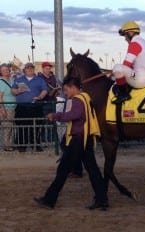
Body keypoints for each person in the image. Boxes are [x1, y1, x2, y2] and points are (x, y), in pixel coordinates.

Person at [34, 77, 108, 210]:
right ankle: (102, 199)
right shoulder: (86, 97)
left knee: (63, 169)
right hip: (85, 137)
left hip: (78, 139)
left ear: (73, 87)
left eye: (66, 90)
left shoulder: (78, 100)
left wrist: (55, 115)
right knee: (92, 169)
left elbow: (73, 115)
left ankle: (49, 200)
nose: (65, 93)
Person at [112, 21, 145, 104]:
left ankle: (123, 94)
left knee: (117, 68)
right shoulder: (144, 42)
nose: (125, 38)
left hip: (140, 80)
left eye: (125, 35)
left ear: (131, 33)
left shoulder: (134, 43)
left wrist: (114, 72)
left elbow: (126, 64)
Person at [11, 63, 48, 152]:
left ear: (34, 69)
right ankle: (22, 146)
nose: (30, 69)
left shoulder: (40, 80)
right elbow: (13, 90)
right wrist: (18, 91)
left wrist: (39, 97)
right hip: (22, 107)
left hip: (36, 106)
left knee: (36, 127)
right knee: (21, 126)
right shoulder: (18, 79)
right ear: (24, 70)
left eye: (31, 68)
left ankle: (35, 145)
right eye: (28, 68)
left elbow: (45, 90)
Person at [38, 62, 62, 143]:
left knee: (52, 120)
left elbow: (57, 87)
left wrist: (58, 90)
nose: (48, 70)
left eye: (49, 68)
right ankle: (44, 139)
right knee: (45, 121)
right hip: (44, 102)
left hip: (52, 101)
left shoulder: (53, 77)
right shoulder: (40, 78)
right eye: (46, 68)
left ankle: (52, 138)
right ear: (43, 69)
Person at [0, 64, 16, 151]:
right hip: (6, 107)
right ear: (1, 72)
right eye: (4, 70)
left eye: (7, 69)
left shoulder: (12, 80)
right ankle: (6, 146)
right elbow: (0, 97)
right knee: (7, 127)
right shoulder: (0, 82)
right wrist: (2, 110)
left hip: (13, 107)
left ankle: (10, 144)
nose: (6, 71)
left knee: (11, 127)